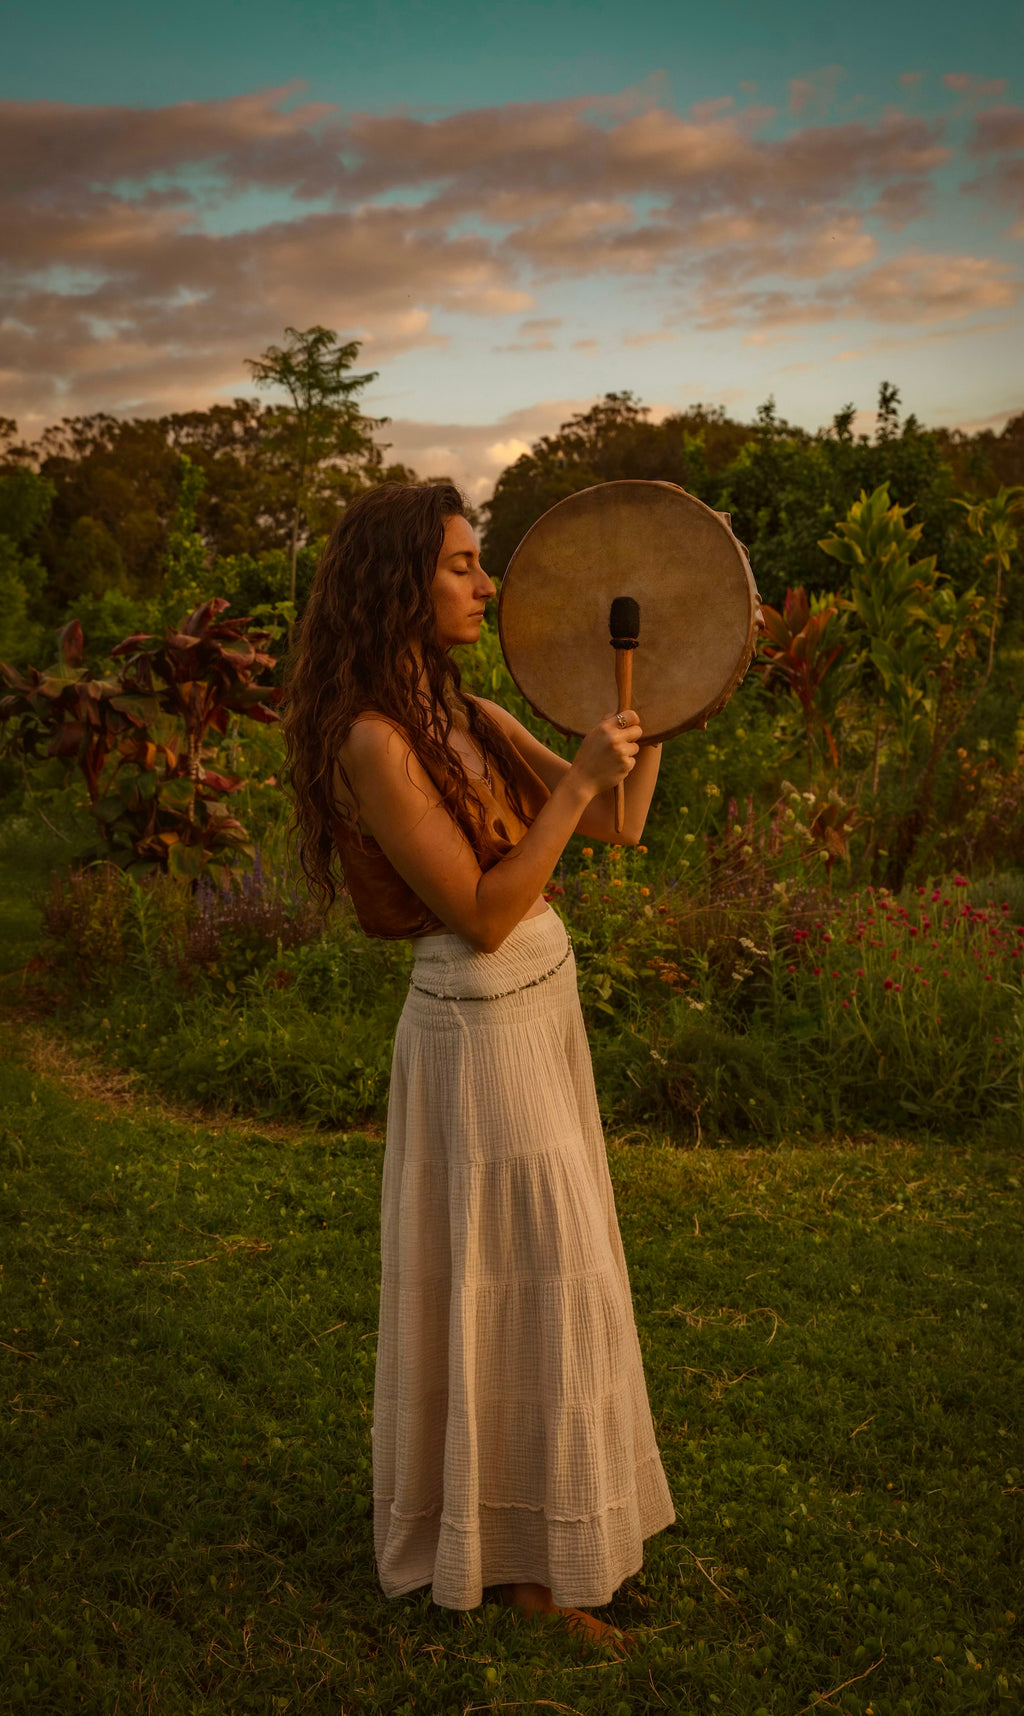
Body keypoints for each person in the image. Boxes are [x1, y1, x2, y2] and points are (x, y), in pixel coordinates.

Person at [283, 481, 675, 1651]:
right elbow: (486, 910)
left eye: (479, 563)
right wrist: (572, 780)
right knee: (515, 1285)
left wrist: (648, 716)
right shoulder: (373, 736)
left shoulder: (463, 706)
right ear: (400, 583)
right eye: (462, 565)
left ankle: (559, 1538)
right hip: (478, 1030)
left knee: (567, 1281)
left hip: (539, 1017)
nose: (485, 584)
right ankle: (519, 1573)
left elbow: (619, 829)